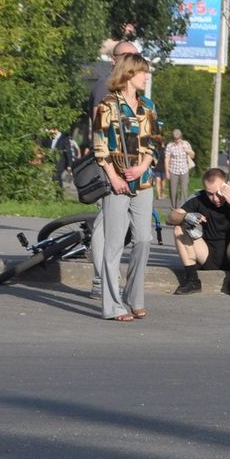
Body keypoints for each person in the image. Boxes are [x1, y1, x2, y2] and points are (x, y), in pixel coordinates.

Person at [92, 53, 157, 322]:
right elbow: (99, 145)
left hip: (143, 182)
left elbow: (153, 143)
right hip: (116, 182)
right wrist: (114, 177)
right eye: (142, 72)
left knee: (143, 239)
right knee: (114, 244)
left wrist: (142, 167)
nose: (146, 76)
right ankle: (113, 306)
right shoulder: (108, 105)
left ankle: (134, 296)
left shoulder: (148, 105)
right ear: (129, 74)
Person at [87, 39, 140, 300]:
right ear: (114, 59)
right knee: (105, 222)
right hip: (110, 165)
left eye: (135, 56)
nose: (131, 60)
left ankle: (104, 280)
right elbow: (100, 131)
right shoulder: (104, 87)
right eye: (126, 56)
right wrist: (111, 168)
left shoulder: (128, 89)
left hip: (127, 166)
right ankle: (100, 281)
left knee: (112, 222)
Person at [167, 168, 230, 297]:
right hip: (206, 254)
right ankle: (192, 281)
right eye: (210, 194)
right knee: (179, 228)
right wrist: (185, 217)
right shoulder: (198, 198)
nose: (215, 198)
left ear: (227, 186)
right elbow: (170, 218)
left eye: (218, 193)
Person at [164, 128, 195, 209]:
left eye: (178, 138)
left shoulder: (186, 144)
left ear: (181, 137)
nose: (177, 140)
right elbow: (167, 159)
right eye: (175, 139)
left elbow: (193, 156)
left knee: (184, 190)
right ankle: (173, 207)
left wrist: (188, 151)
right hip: (173, 170)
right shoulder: (170, 145)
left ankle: (183, 208)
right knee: (173, 191)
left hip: (184, 170)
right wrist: (167, 172)